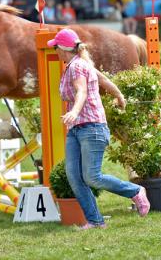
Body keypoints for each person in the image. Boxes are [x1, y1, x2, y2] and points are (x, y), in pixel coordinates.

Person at [47, 28, 150, 229]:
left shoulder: (76, 67)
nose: (54, 51)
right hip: (77, 129)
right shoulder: (79, 64)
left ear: (63, 48)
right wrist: (119, 95)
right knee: (75, 177)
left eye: (56, 47)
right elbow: (103, 80)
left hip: (91, 128)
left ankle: (135, 191)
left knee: (92, 177)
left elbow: (81, 91)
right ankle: (95, 221)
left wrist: (75, 111)